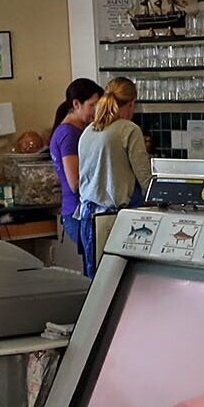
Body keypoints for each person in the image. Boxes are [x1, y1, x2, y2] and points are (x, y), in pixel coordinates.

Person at [75, 76, 149, 276]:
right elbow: (146, 180)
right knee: (120, 281)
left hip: (87, 217)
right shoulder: (129, 130)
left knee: (96, 283)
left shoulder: (89, 131)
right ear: (132, 103)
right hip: (114, 220)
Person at [48, 78, 101, 256]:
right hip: (77, 213)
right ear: (76, 104)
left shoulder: (78, 131)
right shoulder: (69, 134)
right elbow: (75, 182)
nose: (96, 111)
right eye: (92, 105)